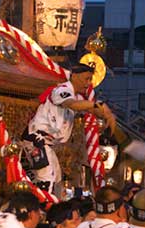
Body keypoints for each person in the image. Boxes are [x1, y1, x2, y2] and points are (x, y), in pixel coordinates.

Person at [22, 64, 115, 195]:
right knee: (47, 178)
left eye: (90, 80)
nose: (88, 83)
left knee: (57, 180)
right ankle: (41, 210)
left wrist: (107, 114)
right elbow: (73, 104)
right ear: (74, 76)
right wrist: (96, 105)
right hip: (37, 139)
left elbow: (90, 108)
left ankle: (49, 207)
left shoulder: (77, 97)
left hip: (48, 144)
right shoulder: (62, 90)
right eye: (86, 79)